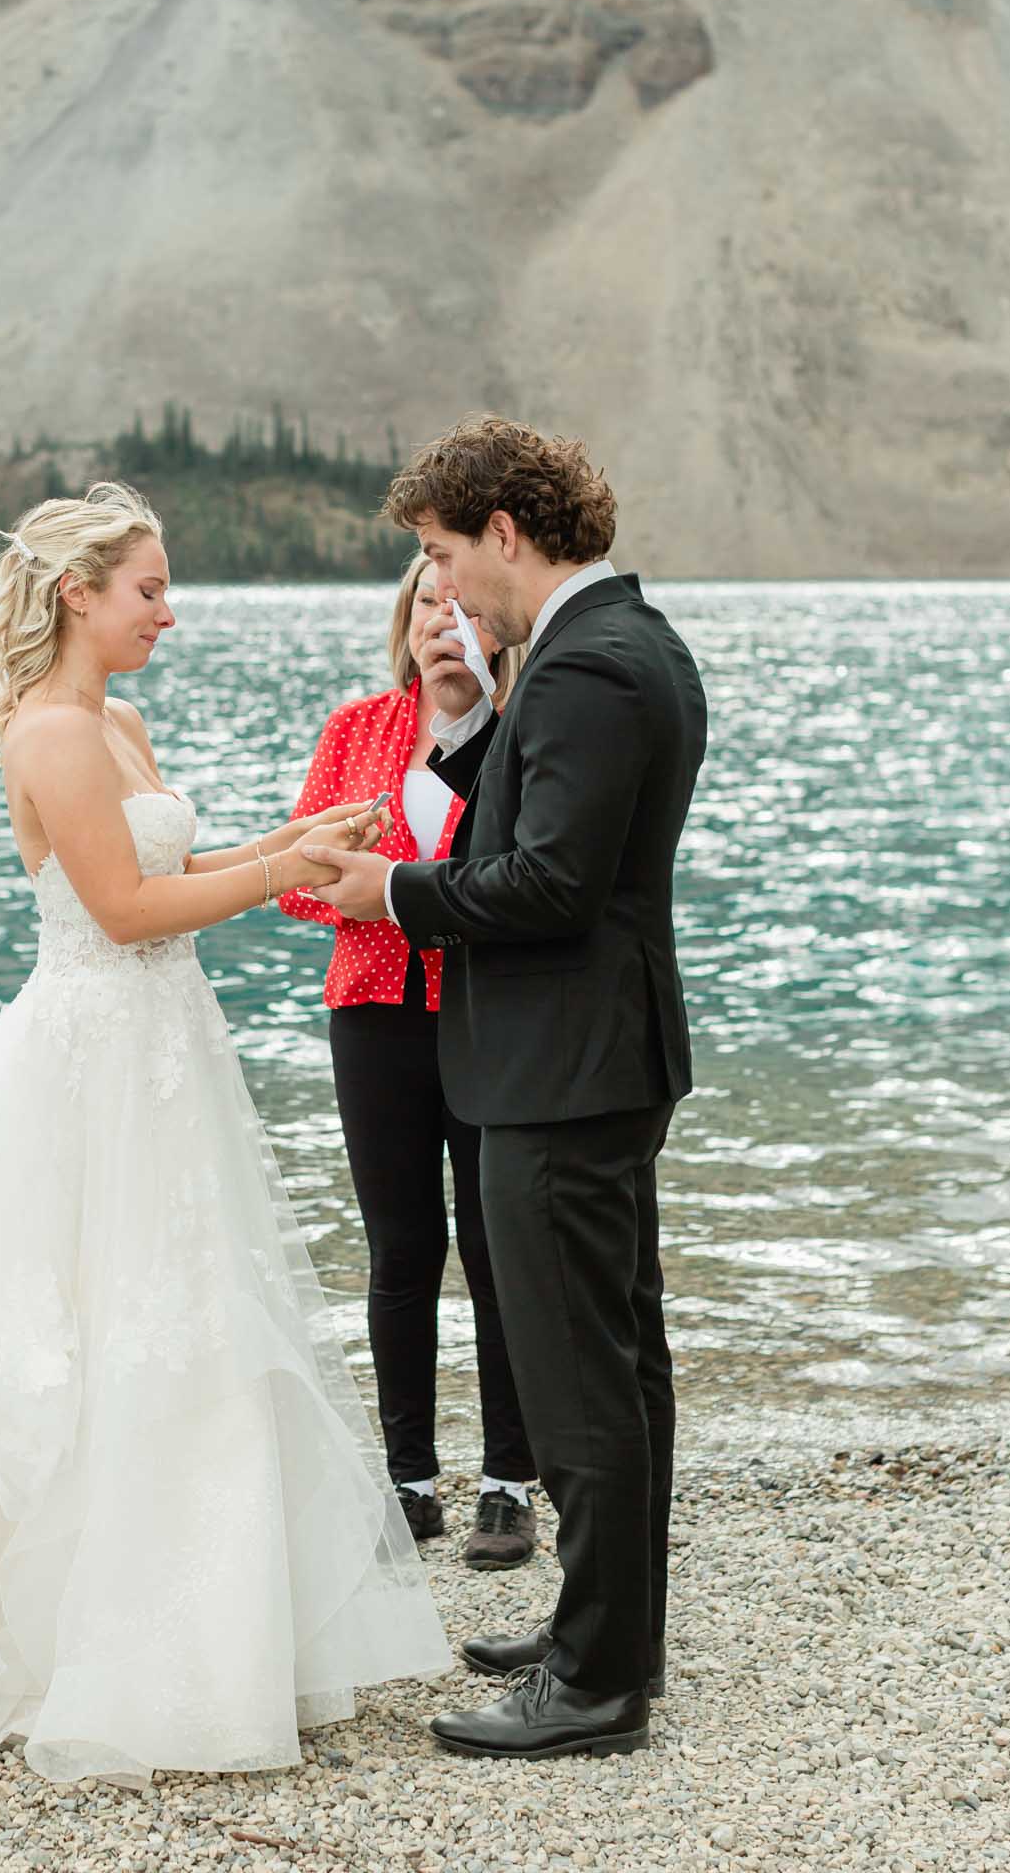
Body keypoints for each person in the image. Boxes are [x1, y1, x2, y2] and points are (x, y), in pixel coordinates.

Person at [0, 482, 452, 1785]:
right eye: (148, 589)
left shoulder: (120, 720)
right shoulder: (49, 733)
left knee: (190, 1316)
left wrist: (298, 837)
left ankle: (220, 1630)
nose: (169, 610)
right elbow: (121, 909)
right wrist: (281, 876)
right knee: (74, 1327)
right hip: (93, 1058)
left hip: (165, 1055)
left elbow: (173, 864)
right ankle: (59, 1636)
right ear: (79, 595)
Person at [303, 415, 708, 1762]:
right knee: (618, 1362)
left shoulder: (594, 665)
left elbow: (549, 884)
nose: (441, 586)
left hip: (564, 1067)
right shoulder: (599, 649)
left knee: (585, 1374)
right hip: (584, 1056)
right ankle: (608, 1633)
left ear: (505, 535)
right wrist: (456, 747)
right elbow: (539, 811)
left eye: (439, 553)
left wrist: (395, 895)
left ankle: (596, 1684)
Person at [280, 553, 538, 1567]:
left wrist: (393, 881)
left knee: (496, 1245)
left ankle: (511, 1483)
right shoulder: (356, 730)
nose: (446, 621)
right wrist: (362, 886)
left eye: (463, 605)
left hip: (489, 1015)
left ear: (497, 626)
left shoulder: (525, 734)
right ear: (406, 623)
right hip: (374, 1013)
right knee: (399, 1251)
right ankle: (408, 1481)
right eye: (429, 605)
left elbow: (532, 884)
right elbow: (300, 883)